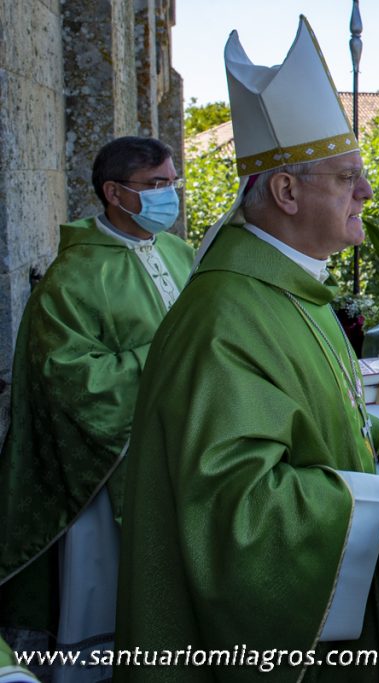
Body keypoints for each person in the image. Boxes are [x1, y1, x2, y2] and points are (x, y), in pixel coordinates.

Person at [113, 19, 379, 681]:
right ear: (285, 192)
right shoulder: (226, 320)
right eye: (346, 177)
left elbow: (291, 406)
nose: (366, 191)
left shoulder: (279, 285)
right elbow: (238, 515)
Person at [0, 137, 194, 670]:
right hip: (112, 467)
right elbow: (71, 380)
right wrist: (170, 356)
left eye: (172, 182)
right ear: (114, 192)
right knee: (112, 596)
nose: (169, 195)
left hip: (188, 446)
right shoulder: (72, 278)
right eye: (156, 186)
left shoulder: (178, 253)